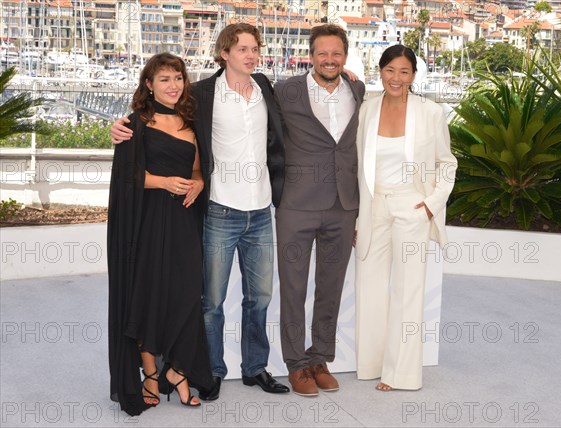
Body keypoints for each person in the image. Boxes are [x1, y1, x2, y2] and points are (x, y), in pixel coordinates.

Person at [110, 23, 289, 399]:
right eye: (242, 49)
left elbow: (193, 158)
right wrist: (116, 128)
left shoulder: (266, 88)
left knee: (260, 299)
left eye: (255, 48)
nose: (251, 55)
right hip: (220, 212)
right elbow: (157, 122)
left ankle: (256, 367)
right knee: (211, 301)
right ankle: (213, 370)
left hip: (260, 212)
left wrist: (351, 79)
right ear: (224, 53)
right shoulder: (204, 93)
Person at [107, 53, 214, 416]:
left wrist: (197, 183)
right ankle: (151, 376)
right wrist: (164, 182)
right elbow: (126, 176)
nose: (173, 85)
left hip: (184, 220)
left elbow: (199, 168)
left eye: (178, 78)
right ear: (149, 84)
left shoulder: (190, 121)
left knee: (186, 296)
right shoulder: (135, 123)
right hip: (148, 221)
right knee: (148, 296)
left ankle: (179, 369)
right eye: (164, 79)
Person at [354, 45, 457, 391]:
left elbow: (447, 162)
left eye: (404, 72)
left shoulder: (430, 112)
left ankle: (401, 374)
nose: (396, 78)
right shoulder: (367, 110)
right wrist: (357, 219)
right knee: (369, 288)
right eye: (390, 70)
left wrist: (430, 204)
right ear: (380, 72)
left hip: (411, 207)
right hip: (373, 208)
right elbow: (357, 168)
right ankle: (372, 365)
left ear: (414, 75)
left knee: (408, 291)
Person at [274, 24, 365, 396]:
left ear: (345, 56)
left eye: (336, 53)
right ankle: (296, 364)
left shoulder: (357, 90)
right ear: (310, 55)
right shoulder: (285, 91)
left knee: (331, 288)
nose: (329, 59)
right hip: (296, 205)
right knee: (293, 288)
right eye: (322, 53)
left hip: (343, 206)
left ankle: (319, 357)